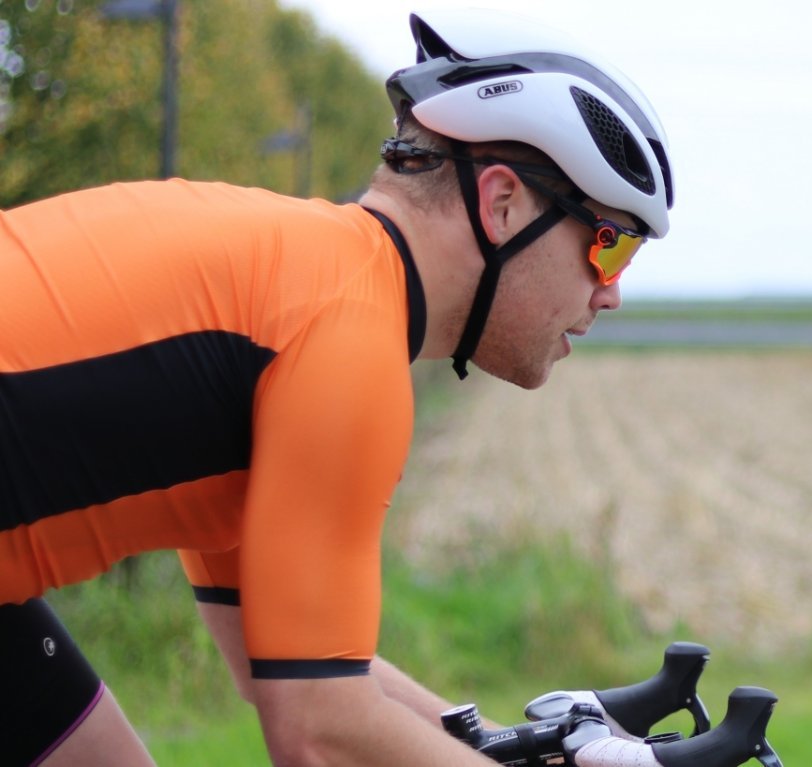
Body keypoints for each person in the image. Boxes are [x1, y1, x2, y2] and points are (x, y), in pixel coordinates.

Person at [1, 9, 679, 766]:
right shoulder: (348, 336)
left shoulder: (306, 289)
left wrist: (520, 746)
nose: (611, 292)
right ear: (501, 204)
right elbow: (318, 732)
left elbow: (291, 669)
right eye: (608, 245)